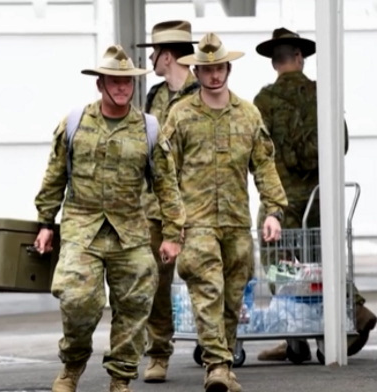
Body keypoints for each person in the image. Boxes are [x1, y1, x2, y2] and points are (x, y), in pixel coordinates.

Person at [33, 45, 186, 392]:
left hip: (130, 232)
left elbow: (167, 184)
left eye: (127, 82)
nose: (121, 87)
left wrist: (173, 233)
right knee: (77, 299)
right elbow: (54, 176)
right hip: (81, 228)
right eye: (114, 81)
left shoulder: (148, 128)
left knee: (134, 306)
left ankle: (120, 378)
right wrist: (45, 223)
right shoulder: (74, 123)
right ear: (100, 83)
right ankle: (72, 365)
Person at [167, 33, 288, 392]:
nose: (214, 75)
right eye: (207, 70)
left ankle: (223, 360)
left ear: (228, 68)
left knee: (233, 299)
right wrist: (171, 225)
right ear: (198, 72)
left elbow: (264, 165)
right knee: (208, 291)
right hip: (197, 222)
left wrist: (273, 212)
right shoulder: (181, 115)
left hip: (236, 222)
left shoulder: (248, 114)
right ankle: (218, 366)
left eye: (219, 68)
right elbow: (164, 173)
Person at [253, 27, 377, 362]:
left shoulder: (263, 102)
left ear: (274, 63)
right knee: (323, 262)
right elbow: (344, 143)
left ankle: (296, 330)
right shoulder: (323, 94)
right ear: (300, 58)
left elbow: (257, 153)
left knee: (279, 263)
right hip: (320, 195)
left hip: (280, 199)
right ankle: (354, 311)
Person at [135, 20, 200, 383]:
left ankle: (215, 348)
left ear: (168, 55)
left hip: (197, 205)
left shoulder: (203, 92)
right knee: (155, 282)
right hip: (157, 207)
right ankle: (158, 352)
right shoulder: (154, 97)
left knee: (205, 279)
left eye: (155, 52)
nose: (151, 58)